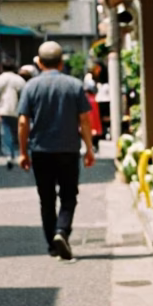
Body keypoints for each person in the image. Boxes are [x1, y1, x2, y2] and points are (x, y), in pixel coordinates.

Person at [18, 40, 95, 261]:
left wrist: (23, 151)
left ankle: (52, 244)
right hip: (69, 149)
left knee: (47, 198)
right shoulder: (73, 85)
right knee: (69, 195)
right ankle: (62, 230)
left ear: (40, 63)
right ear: (61, 63)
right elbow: (85, 120)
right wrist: (89, 148)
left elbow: (23, 122)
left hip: (40, 150)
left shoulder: (31, 86)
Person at [0, 57, 25, 169]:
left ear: (1, 67)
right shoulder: (20, 80)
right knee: (18, 133)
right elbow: (24, 97)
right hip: (18, 111)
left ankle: (9, 155)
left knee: (6, 133)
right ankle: (19, 152)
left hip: (3, 110)